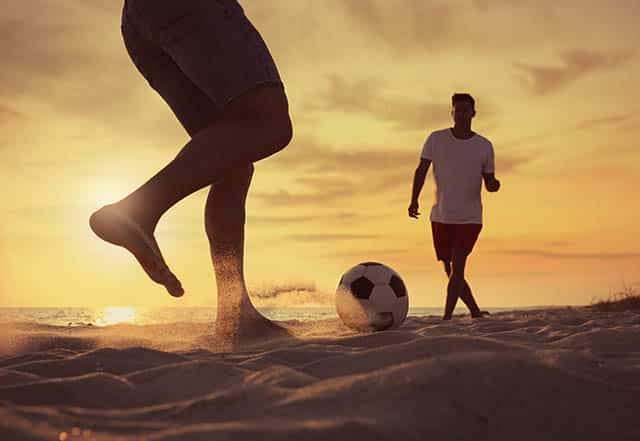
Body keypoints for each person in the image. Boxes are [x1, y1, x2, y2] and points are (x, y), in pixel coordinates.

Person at [89, 0, 293, 349]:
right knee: (269, 124)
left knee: (231, 160)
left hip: (141, 20)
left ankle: (235, 315)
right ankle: (136, 210)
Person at [408, 93, 500, 320]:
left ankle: (446, 318)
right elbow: (421, 170)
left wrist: (493, 185)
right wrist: (414, 200)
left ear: (473, 113)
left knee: (458, 270)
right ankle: (475, 312)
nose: (461, 114)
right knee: (450, 271)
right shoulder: (435, 139)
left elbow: (489, 180)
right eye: (457, 110)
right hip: (441, 216)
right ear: (452, 113)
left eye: (465, 110)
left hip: (469, 217)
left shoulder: (484, 146)